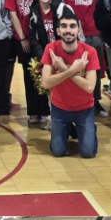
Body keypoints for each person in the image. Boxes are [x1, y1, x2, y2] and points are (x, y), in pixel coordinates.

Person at [40, 9, 99, 158]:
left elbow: (89, 87)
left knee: (88, 153)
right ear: (58, 31)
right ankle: (67, 129)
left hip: (84, 109)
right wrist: (71, 70)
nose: (68, 30)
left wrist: (63, 69)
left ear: (78, 31)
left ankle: (89, 128)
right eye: (64, 26)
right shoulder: (51, 49)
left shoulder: (90, 52)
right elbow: (46, 83)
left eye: (72, 26)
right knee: (58, 152)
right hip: (59, 108)